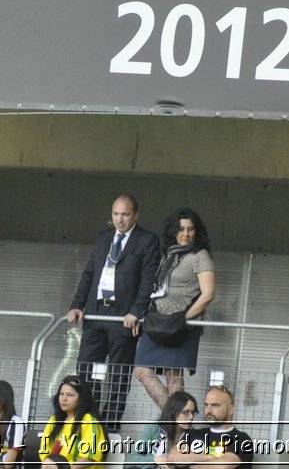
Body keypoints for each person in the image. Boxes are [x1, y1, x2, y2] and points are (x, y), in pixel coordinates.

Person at [65, 195, 160, 432]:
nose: (120, 219)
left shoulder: (147, 240)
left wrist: (136, 311)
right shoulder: (103, 238)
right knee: (86, 368)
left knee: (118, 373)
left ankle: (110, 426)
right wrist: (76, 305)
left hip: (123, 318)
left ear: (135, 215)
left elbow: (149, 280)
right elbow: (89, 273)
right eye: (116, 214)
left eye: (125, 214)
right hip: (97, 313)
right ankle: (89, 420)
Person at [133, 208, 217, 405]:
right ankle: (174, 418)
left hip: (181, 324)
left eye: (190, 229)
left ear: (197, 231)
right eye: (180, 229)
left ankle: (176, 424)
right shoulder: (168, 255)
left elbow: (208, 294)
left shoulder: (200, 255)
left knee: (174, 376)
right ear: (173, 231)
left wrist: (184, 318)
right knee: (142, 371)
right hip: (157, 321)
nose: (185, 234)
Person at [38, 377, 108, 468]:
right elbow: (44, 452)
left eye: (70, 395)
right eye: (61, 394)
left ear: (81, 398)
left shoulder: (88, 420)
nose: (64, 399)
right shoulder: (54, 420)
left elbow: (88, 457)